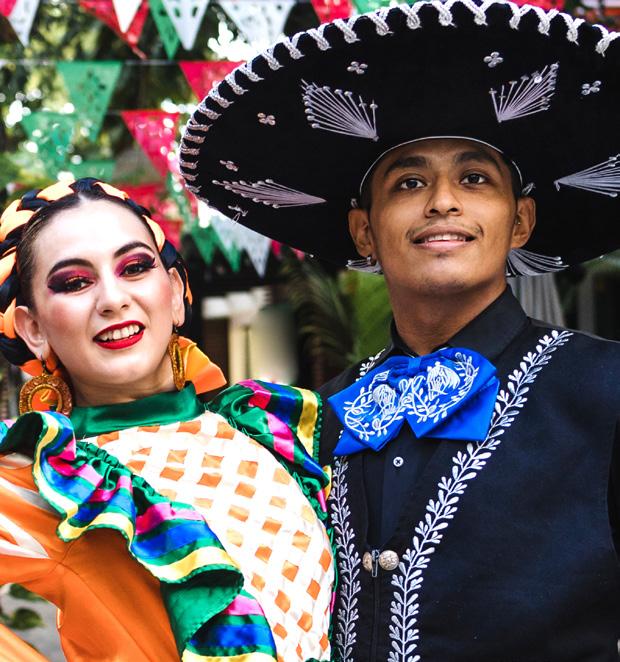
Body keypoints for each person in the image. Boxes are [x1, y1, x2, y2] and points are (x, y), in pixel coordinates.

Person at [177, 1, 620, 659]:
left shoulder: (605, 389)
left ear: (520, 222)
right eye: (409, 182)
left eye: (474, 178)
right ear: (365, 232)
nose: (443, 201)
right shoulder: (317, 418)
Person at [0, 178, 334, 661]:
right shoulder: (52, 483)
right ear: (33, 329)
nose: (113, 299)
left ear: (175, 293)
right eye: (74, 282)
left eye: (135, 267)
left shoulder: (269, 429)